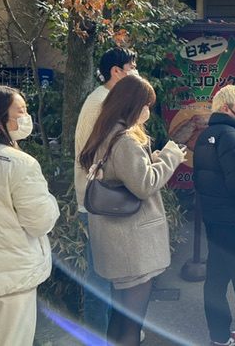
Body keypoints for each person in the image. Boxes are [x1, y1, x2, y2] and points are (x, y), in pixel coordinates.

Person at [79, 75, 186, 345]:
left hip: (116, 241)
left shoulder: (105, 132)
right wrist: (171, 157)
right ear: (132, 104)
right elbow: (144, 185)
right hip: (132, 244)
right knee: (132, 322)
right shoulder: (125, 139)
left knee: (120, 315)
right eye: (145, 105)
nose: (147, 111)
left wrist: (152, 160)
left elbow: (126, 174)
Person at [0, 85, 60, 346]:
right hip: (9, 281)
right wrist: (50, 201)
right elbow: (40, 221)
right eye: (21, 111)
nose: (26, 117)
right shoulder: (18, 163)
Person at [74, 47, 138, 335]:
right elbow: (100, 153)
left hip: (99, 199)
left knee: (107, 273)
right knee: (101, 275)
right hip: (98, 201)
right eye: (131, 67)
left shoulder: (104, 99)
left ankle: (110, 332)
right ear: (116, 71)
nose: (134, 72)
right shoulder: (101, 102)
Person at [194, 85, 235, 346]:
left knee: (216, 281)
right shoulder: (232, 137)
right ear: (225, 108)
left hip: (214, 220)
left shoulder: (205, 135)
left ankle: (219, 336)